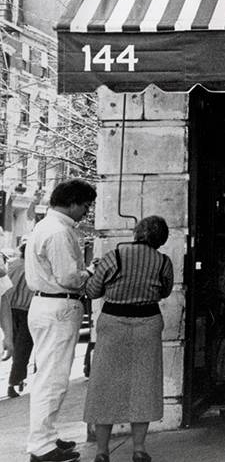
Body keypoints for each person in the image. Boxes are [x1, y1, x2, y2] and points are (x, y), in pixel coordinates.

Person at [83, 215, 174, 462]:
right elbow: (165, 291)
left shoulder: (115, 256)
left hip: (113, 322)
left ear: (137, 233)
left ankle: (102, 451)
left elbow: (92, 291)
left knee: (105, 384)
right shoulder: (163, 261)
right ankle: (139, 448)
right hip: (148, 323)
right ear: (161, 238)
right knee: (143, 384)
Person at [25, 178, 97, 462]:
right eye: (85, 205)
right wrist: (90, 272)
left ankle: (45, 437)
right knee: (52, 380)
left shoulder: (44, 226)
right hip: (59, 305)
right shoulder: (58, 232)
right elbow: (68, 277)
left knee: (48, 376)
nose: (86, 212)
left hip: (46, 305)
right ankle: (42, 446)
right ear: (73, 203)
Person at [6, 241, 36, 397]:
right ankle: (14, 382)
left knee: (11, 344)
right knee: (22, 348)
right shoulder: (34, 267)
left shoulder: (12, 264)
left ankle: (15, 381)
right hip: (27, 311)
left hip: (8, 309)